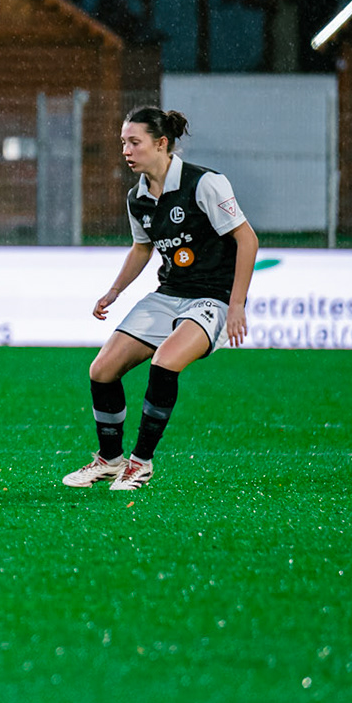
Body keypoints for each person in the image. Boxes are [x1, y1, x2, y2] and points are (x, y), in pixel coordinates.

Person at [64, 107, 259, 491]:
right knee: (101, 370)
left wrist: (236, 305)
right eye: (123, 142)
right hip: (168, 294)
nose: (126, 150)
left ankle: (140, 463)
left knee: (164, 362)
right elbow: (142, 249)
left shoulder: (204, 184)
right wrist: (114, 292)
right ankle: (109, 459)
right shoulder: (138, 198)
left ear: (161, 144)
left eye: (134, 142)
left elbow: (247, 239)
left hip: (213, 298)